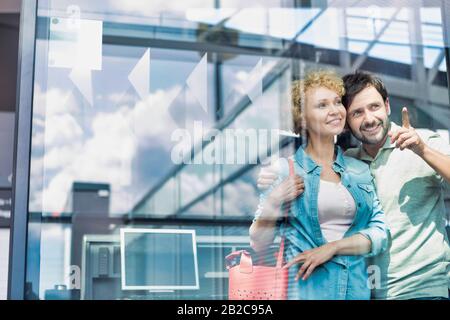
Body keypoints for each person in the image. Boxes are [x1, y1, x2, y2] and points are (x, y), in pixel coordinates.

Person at [258, 71, 450, 300]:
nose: (369, 119)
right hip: (365, 291)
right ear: (347, 121)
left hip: (420, 290)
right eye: (357, 112)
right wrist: (275, 179)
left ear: (387, 106)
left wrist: (423, 151)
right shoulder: (349, 163)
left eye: (374, 107)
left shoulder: (422, 142)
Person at [249, 70, 388, 300]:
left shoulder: (359, 170)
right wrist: (274, 201)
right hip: (308, 293)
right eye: (322, 105)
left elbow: (380, 234)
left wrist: (333, 247)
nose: (334, 110)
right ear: (302, 118)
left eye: (336, 102)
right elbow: (258, 243)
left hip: (356, 292)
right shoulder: (284, 170)